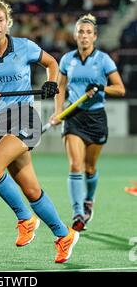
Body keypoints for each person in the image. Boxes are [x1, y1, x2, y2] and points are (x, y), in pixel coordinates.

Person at [0, 0, 79, 264]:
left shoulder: (24, 46)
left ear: (8, 22)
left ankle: (25, 219)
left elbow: (52, 63)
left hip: (25, 117)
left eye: (1, 19)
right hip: (1, 122)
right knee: (31, 190)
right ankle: (63, 235)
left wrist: (52, 81)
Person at [50, 14, 125, 231]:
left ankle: (89, 200)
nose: (84, 36)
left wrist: (101, 88)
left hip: (96, 118)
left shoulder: (104, 60)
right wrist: (58, 112)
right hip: (74, 117)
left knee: (90, 168)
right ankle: (77, 214)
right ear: (75, 35)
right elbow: (60, 88)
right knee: (76, 165)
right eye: (80, 32)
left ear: (95, 37)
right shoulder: (67, 60)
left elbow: (120, 89)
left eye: (88, 32)